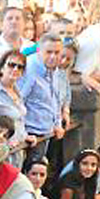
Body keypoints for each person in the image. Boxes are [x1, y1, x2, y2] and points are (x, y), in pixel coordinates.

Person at [18, 32, 64, 166]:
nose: (53, 57)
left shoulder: (54, 70)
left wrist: (57, 123)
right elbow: (18, 102)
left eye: (57, 52)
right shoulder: (28, 70)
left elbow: (55, 98)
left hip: (47, 132)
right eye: (48, 52)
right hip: (31, 135)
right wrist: (23, 134)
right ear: (39, 50)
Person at [0, 50, 31, 168]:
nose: (15, 69)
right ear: (1, 68)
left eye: (20, 67)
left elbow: (19, 119)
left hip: (19, 149)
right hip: (3, 153)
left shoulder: (16, 89)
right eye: (11, 65)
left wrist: (26, 136)